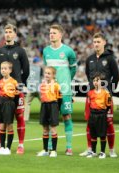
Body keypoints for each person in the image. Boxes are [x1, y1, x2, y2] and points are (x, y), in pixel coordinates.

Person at [0, 24, 29, 154]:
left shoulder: (20, 51)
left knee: (19, 117)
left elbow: (27, 70)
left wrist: (19, 83)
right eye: (6, 32)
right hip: (2, 89)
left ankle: (21, 145)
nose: (7, 34)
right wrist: (3, 84)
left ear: (14, 34)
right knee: (1, 118)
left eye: (10, 32)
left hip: (17, 88)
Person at [82, 32, 119, 157]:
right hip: (92, 96)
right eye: (94, 42)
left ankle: (112, 150)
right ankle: (90, 149)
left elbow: (116, 76)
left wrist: (109, 91)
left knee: (109, 123)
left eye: (98, 42)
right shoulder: (90, 59)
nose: (96, 44)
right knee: (89, 123)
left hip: (105, 97)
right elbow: (88, 75)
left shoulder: (110, 58)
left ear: (104, 42)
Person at [43, 24, 77, 156]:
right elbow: (47, 70)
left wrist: (66, 81)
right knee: (51, 119)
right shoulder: (46, 51)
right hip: (50, 91)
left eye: (54, 33)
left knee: (66, 116)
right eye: (50, 33)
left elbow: (73, 69)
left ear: (60, 35)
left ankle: (69, 147)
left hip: (65, 90)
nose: (51, 35)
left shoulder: (68, 51)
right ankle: (51, 148)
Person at [86, 73, 111, 159]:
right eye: (94, 81)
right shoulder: (90, 93)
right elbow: (89, 105)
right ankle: (93, 151)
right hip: (93, 115)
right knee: (93, 134)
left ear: (101, 81)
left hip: (102, 115)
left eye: (98, 80)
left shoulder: (106, 93)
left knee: (102, 134)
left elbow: (108, 105)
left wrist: (103, 112)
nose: (96, 82)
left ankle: (102, 152)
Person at [37, 66, 61, 157]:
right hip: (44, 106)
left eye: (49, 73)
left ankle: (54, 151)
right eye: (45, 73)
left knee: (53, 128)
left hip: (53, 106)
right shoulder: (42, 84)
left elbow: (59, 99)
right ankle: (45, 150)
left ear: (53, 75)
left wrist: (57, 109)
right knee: (45, 129)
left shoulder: (56, 85)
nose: (46, 75)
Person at [0, 61, 19, 155]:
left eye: (5, 68)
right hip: (1, 103)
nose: (3, 70)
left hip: (9, 103)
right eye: (2, 68)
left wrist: (14, 105)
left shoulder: (14, 82)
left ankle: (8, 148)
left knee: (9, 125)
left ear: (10, 70)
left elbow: (18, 94)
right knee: (1, 125)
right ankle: (2, 147)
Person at [24, 57, 42, 121]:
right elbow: (42, 77)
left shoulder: (28, 68)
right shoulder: (40, 68)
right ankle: (44, 118)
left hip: (30, 88)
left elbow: (25, 77)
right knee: (43, 103)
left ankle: (25, 118)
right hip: (39, 88)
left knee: (27, 103)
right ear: (37, 62)